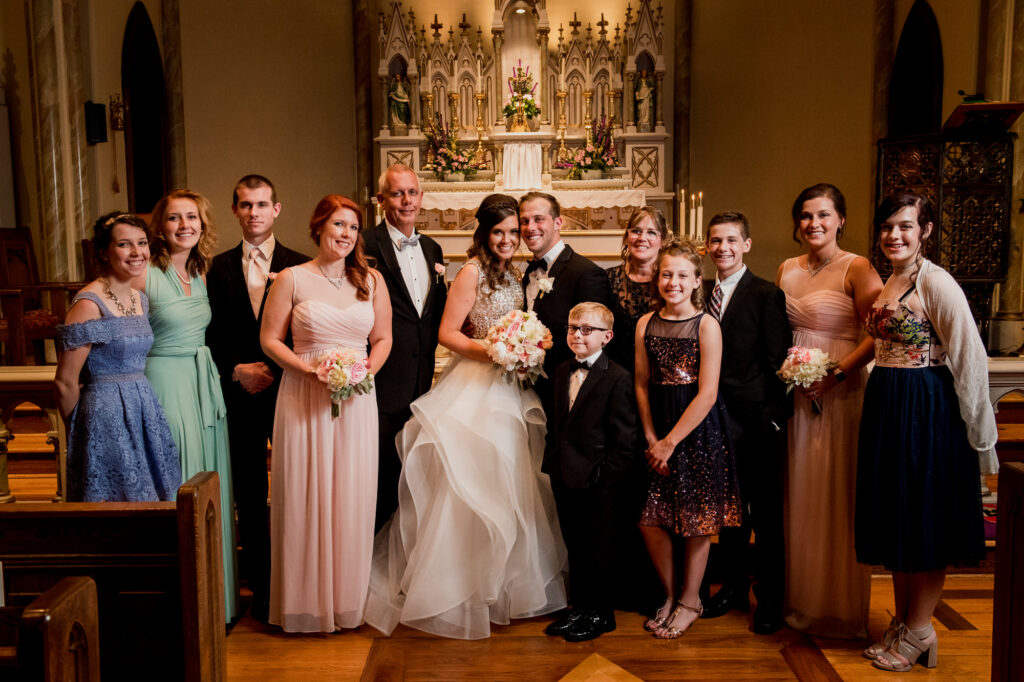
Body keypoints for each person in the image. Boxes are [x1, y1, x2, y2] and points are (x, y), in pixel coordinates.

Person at [365, 194, 567, 640]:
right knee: (470, 484)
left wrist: (520, 352)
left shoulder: (516, 273)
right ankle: (461, 584)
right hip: (476, 386)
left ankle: (504, 585)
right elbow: (447, 333)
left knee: (512, 482)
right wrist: (499, 351)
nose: (509, 239)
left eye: (514, 232)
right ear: (484, 233)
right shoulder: (471, 271)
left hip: (512, 388)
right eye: (500, 232)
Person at [855, 193, 997, 672]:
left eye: (905, 226)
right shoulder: (892, 280)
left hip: (926, 409)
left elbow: (970, 359)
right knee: (898, 517)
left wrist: (982, 440)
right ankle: (904, 623)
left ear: (926, 230)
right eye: (887, 226)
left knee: (925, 518)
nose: (894, 235)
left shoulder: (937, 283)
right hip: (889, 405)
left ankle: (920, 629)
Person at [261, 194, 392, 633]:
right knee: (306, 489)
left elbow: (383, 338)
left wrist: (365, 371)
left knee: (350, 493)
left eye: (353, 228)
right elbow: (270, 340)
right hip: (304, 394)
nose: (346, 235)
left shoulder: (370, 280)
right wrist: (309, 369)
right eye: (338, 225)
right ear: (319, 227)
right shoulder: (292, 279)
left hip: (357, 397)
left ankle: (346, 601)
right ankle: (306, 604)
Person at [775, 183, 883, 639]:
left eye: (823, 215)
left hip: (842, 393)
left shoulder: (857, 268)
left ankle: (839, 608)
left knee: (836, 493)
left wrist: (835, 374)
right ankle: (802, 599)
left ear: (840, 219)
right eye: (805, 215)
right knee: (800, 494)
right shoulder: (786, 268)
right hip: (799, 397)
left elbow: (880, 333)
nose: (813, 224)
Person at [207, 174, 308, 623]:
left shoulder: (299, 265)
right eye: (245, 205)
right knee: (247, 489)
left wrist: (277, 366)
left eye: (262, 205)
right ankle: (260, 587)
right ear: (234, 211)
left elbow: (308, 330)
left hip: (288, 388)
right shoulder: (215, 267)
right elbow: (208, 331)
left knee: (294, 486)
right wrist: (237, 368)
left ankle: (298, 580)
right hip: (239, 391)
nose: (254, 213)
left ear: (277, 209)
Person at [635, 242, 741, 639]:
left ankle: (691, 599)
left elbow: (708, 392)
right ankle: (669, 594)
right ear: (657, 278)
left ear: (697, 281)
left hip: (697, 429)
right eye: (666, 274)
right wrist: (651, 438)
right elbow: (641, 384)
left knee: (697, 520)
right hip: (657, 423)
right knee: (651, 519)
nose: (673, 282)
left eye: (682, 275)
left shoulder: (707, 325)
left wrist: (671, 442)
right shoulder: (646, 323)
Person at [699, 212, 792, 634]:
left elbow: (778, 362)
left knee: (766, 514)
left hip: (756, 422)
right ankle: (733, 587)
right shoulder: (699, 293)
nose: (723, 248)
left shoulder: (765, 295)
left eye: (732, 240)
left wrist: (772, 419)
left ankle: (770, 599)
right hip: (712, 420)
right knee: (729, 514)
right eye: (716, 241)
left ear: (747, 245)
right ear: (706, 247)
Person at [55, 212, 180, 502]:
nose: (137, 253)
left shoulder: (140, 298)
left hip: (143, 408)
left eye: (142, 243)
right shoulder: (88, 304)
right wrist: (83, 427)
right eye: (125, 244)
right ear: (104, 252)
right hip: (104, 413)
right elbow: (64, 382)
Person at [542, 302, 636, 642]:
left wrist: (603, 477)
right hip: (564, 475)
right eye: (572, 327)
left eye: (587, 329)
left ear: (606, 336)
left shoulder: (618, 378)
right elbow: (558, 425)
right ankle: (580, 607)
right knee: (575, 545)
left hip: (599, 481)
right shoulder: (561, 370)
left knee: (600, 548)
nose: (578, 334)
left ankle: (602, 613)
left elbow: (624, 441)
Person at [363, 164, 448, 532]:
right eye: (397, 193)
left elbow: (430, 314)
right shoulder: (364, 244)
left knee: (408, 476)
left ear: (422, 197)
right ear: (381, 200)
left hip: (420, 381)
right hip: (379, 379)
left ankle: (398, 557)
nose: (406, 200)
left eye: (412, 192)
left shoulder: (433, 247)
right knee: (377, 477)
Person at [520, 191, 611, 412]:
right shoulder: (528, 273)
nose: (530, 227)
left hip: (570, 395)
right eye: (524, 221)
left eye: (539, 219)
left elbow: (596, 345)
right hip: (532, 390)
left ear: (558, 222)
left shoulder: (586, 273)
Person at [606, 206, 666, 374]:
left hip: (660, 374)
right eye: (636, 231)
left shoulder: (671, 282)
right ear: (627, 237)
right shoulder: (608, 279)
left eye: (652, 233)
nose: (642, 238)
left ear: (663, 241)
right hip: (616, 374)